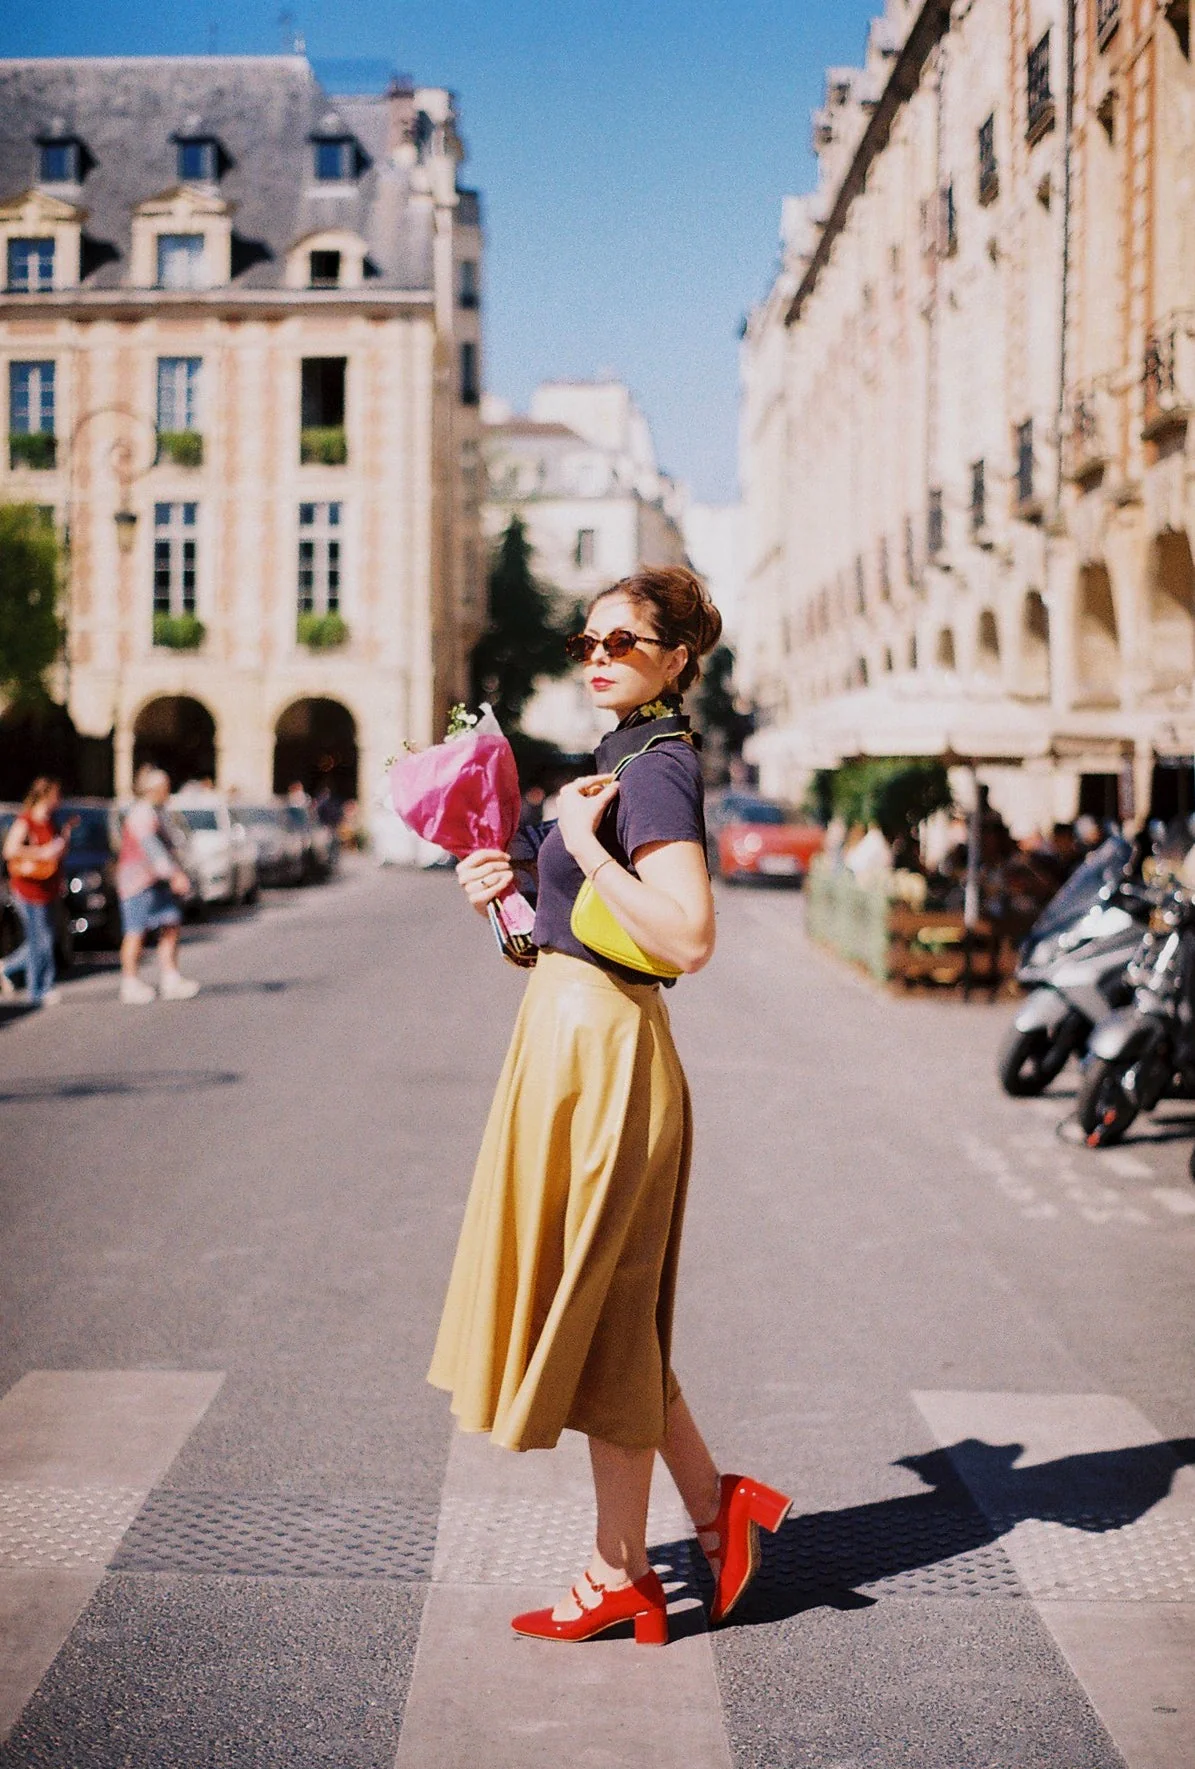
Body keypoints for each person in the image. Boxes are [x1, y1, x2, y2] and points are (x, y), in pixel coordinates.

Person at [430, 565, 792, 1647]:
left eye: (622, 642)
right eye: (586, 642)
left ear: (676, 658)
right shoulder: (618, 753)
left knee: (601, 1311)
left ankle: (625, 1565)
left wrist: (580, 844)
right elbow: (563, 932)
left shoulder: (658, 764)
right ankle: (703, 1516)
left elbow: (687, 935)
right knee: (607, 1310)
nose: (597, 657)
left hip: (604, 1055)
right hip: (570, 1038)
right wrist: (502, 894)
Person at [116, 766, 199, 1005]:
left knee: (170, 924)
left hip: (155, 881)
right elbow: (152, 849)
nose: (168, 792)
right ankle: (130, 983)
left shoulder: (157, 810)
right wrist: (174, 875)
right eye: (166, 787)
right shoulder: (141, 813)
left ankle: (170, 978)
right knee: (135, 932)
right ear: (155, 789)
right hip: (137, 882)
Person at [1, 777, 70, 1007]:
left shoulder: (50, 822)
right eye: (56, 795)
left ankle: (9, 968)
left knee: (43, 939)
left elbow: (54, 857)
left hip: (47, 888)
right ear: (46, 795)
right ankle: (38, 990)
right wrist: (42, 852)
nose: (59, 800)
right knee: (41, 939)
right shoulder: (26, 820)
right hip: (27, 888)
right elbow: (10, 850)